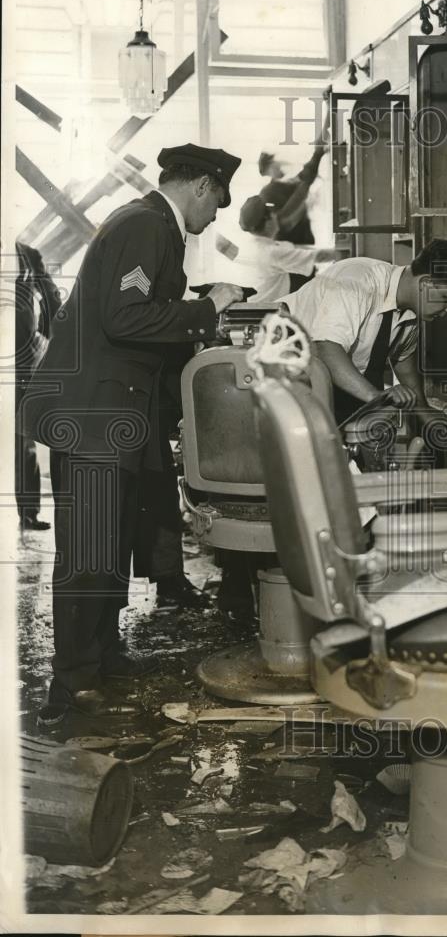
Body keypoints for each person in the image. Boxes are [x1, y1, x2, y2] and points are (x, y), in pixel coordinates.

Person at [18, 144, 245, 717]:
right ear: (199, 186)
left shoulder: (150, 227)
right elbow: (124, 318)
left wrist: (194, 306)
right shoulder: (146, 225)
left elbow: (133, 307)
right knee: (90, 551)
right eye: (218, 200)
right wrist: (207, 310)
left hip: (119, 414)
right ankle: (70, 682)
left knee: (114, 540)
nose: (216, 214)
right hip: (95, 414)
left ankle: (104, 650)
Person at [280, 238, 447, 426]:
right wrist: (375, 397)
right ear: (425, 283)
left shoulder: (412, 309)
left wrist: (423, 411)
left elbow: (403, 360)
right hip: (279, 368)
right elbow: (326, 348)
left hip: (322, 381)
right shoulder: (358, 281)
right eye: (446, 299)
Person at [14, 241, 61, 531]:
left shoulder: (27, 254)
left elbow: (51, 297)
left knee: (23, 436)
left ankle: (29, 511)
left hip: (20, 358)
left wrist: (44, 336)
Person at [235, 194, 339, 303]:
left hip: (254, 308)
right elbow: (319, 257)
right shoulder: (271, 252)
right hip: (265, 313)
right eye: (272, 213)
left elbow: (295, 250)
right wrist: (348, 252)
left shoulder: (253, 245)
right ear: (267, 222)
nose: (276, 216)